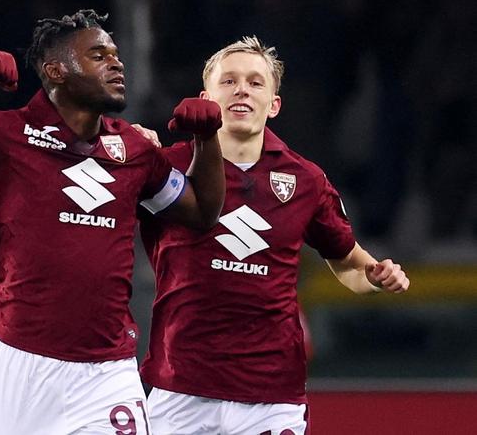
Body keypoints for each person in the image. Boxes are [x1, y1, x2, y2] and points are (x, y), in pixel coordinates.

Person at [0, 9, 225, 434]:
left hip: (108, 371)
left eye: (115, 54)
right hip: (21, 365)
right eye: (98, 55)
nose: (116, 63)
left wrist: (207, 139)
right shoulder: (3, 134)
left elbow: (202, 213)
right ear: (56, 71)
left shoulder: (134, 149)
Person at [136, 36, 410, 435]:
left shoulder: (306, 180)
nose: (242, 89)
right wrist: (124, 149)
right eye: (229, 81)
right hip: (180, 390)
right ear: (206, 98)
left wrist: (375, 277)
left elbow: (350, 264)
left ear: (274, 104)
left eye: (255, 82)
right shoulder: (165, 167)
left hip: (272, 397)